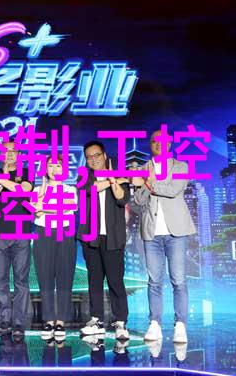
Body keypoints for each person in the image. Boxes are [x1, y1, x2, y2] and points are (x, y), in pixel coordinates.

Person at [132, 130, 196, 344]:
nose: (159, 144)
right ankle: (155, 323)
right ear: (150, 145)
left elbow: (173, 190)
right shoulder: (143, 169)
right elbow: (138, 201)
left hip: (175, 232)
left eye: (163, 141)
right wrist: (143, 185)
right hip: (151, 233)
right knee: (154, 281)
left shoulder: (181, 166)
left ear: (169, 144)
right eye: (154, 141)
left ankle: (180, 325)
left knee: (179, 280)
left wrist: (149, 183)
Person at [78, 141, 130, 340]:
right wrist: (111, 180)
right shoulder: (84, 174)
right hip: (91, 236)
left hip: (113, 237)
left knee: (115, 280)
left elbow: (122, 198)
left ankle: (120, 321)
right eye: (89, 157)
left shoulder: (118, 172)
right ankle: (96, 319)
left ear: (104, 155)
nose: (93, 159)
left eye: (97, 155)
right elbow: (89, 190)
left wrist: (115, 181)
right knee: (94, 280)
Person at [0, 141, 33, 341]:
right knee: (1, 280)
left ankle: (19, 322)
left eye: (14, 151)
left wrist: (2, 180)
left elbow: (24, 191)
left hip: (21, 234)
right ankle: (4, 320)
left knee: (21, 281)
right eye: (6, 151)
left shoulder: (27, 172)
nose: (10, 154)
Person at [32, 155, 78, 340]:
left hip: (64, 231)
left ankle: (61, 321)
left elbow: (68, 206)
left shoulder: (70, 189)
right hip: (43, 232)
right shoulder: (37, 189)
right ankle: (48, 319)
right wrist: (44, 200)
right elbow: (36, 210)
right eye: (50, 166)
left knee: (65, 276)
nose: (54, 169)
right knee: (45, 277)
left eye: (58, 165)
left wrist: (44, 206)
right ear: (45, 169)